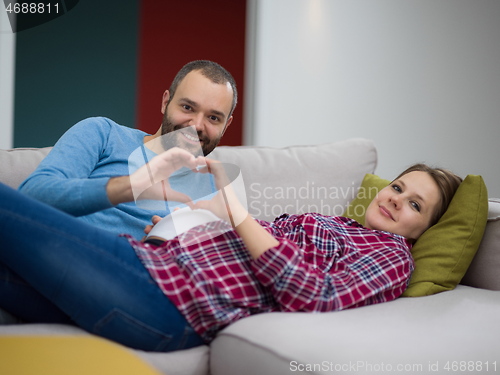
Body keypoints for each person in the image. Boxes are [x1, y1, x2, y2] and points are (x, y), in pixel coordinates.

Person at [0, 152, 462, 352]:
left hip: (168, 301)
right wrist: (186, 226)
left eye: (414, 204)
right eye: (399, 186)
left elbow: (315, 296)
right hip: (153, 265)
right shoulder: (341, 225)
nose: (396, 198)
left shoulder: (393, 257)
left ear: (424, 231)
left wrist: (235, 210)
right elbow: (246, 250)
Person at [17, 60, 237, 239]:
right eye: (187, 107)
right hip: (64, 254)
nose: (197, 125)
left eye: (213, 118)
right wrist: (132, 185)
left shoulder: (218, 187)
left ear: (226, 126)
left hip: (145, 280)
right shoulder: (103, 134)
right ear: (165, 102)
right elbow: (31, 196)